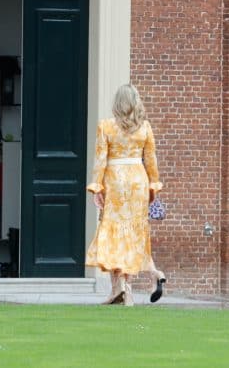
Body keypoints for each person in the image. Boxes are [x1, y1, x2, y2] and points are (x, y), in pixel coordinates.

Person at [85, 84, 167, 306]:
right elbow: (151, 160)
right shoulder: (144, 127)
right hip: (138, 182)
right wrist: (153, 187)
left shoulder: (106, 127)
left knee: (114, 233)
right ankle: (126, 289)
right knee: (132, 234)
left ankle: (121, 288)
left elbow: (100, 159)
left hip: (115, 181)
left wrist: (96, 187)